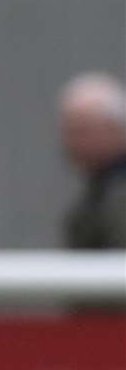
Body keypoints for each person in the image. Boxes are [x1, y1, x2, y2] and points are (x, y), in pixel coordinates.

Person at [57, 71, 126, 250]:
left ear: (115, 129)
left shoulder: (117, 195)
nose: (71, 142)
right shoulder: (100, 191)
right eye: (69, 132)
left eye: (82, 130)